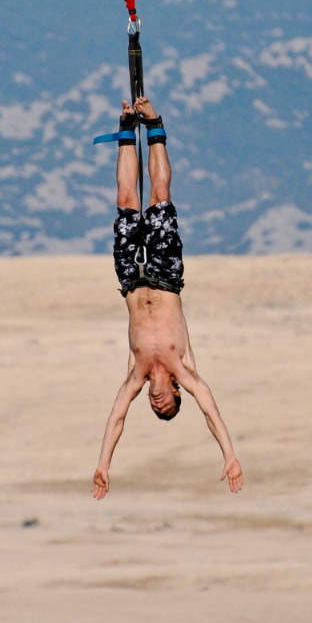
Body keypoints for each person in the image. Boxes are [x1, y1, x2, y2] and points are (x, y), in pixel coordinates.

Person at [92, 96, 244, 500]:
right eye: (168, 407)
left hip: (131, 278)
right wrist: (229, 455)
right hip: (165, 277)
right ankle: (155, 123)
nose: (158, 404)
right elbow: (210, 410)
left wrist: (104, 464)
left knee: (126, 199)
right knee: (159, 194)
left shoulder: (136, 374)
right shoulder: (185, 367)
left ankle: (127, 127)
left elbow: (117, 417)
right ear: (177, 393)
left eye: (155, 408)